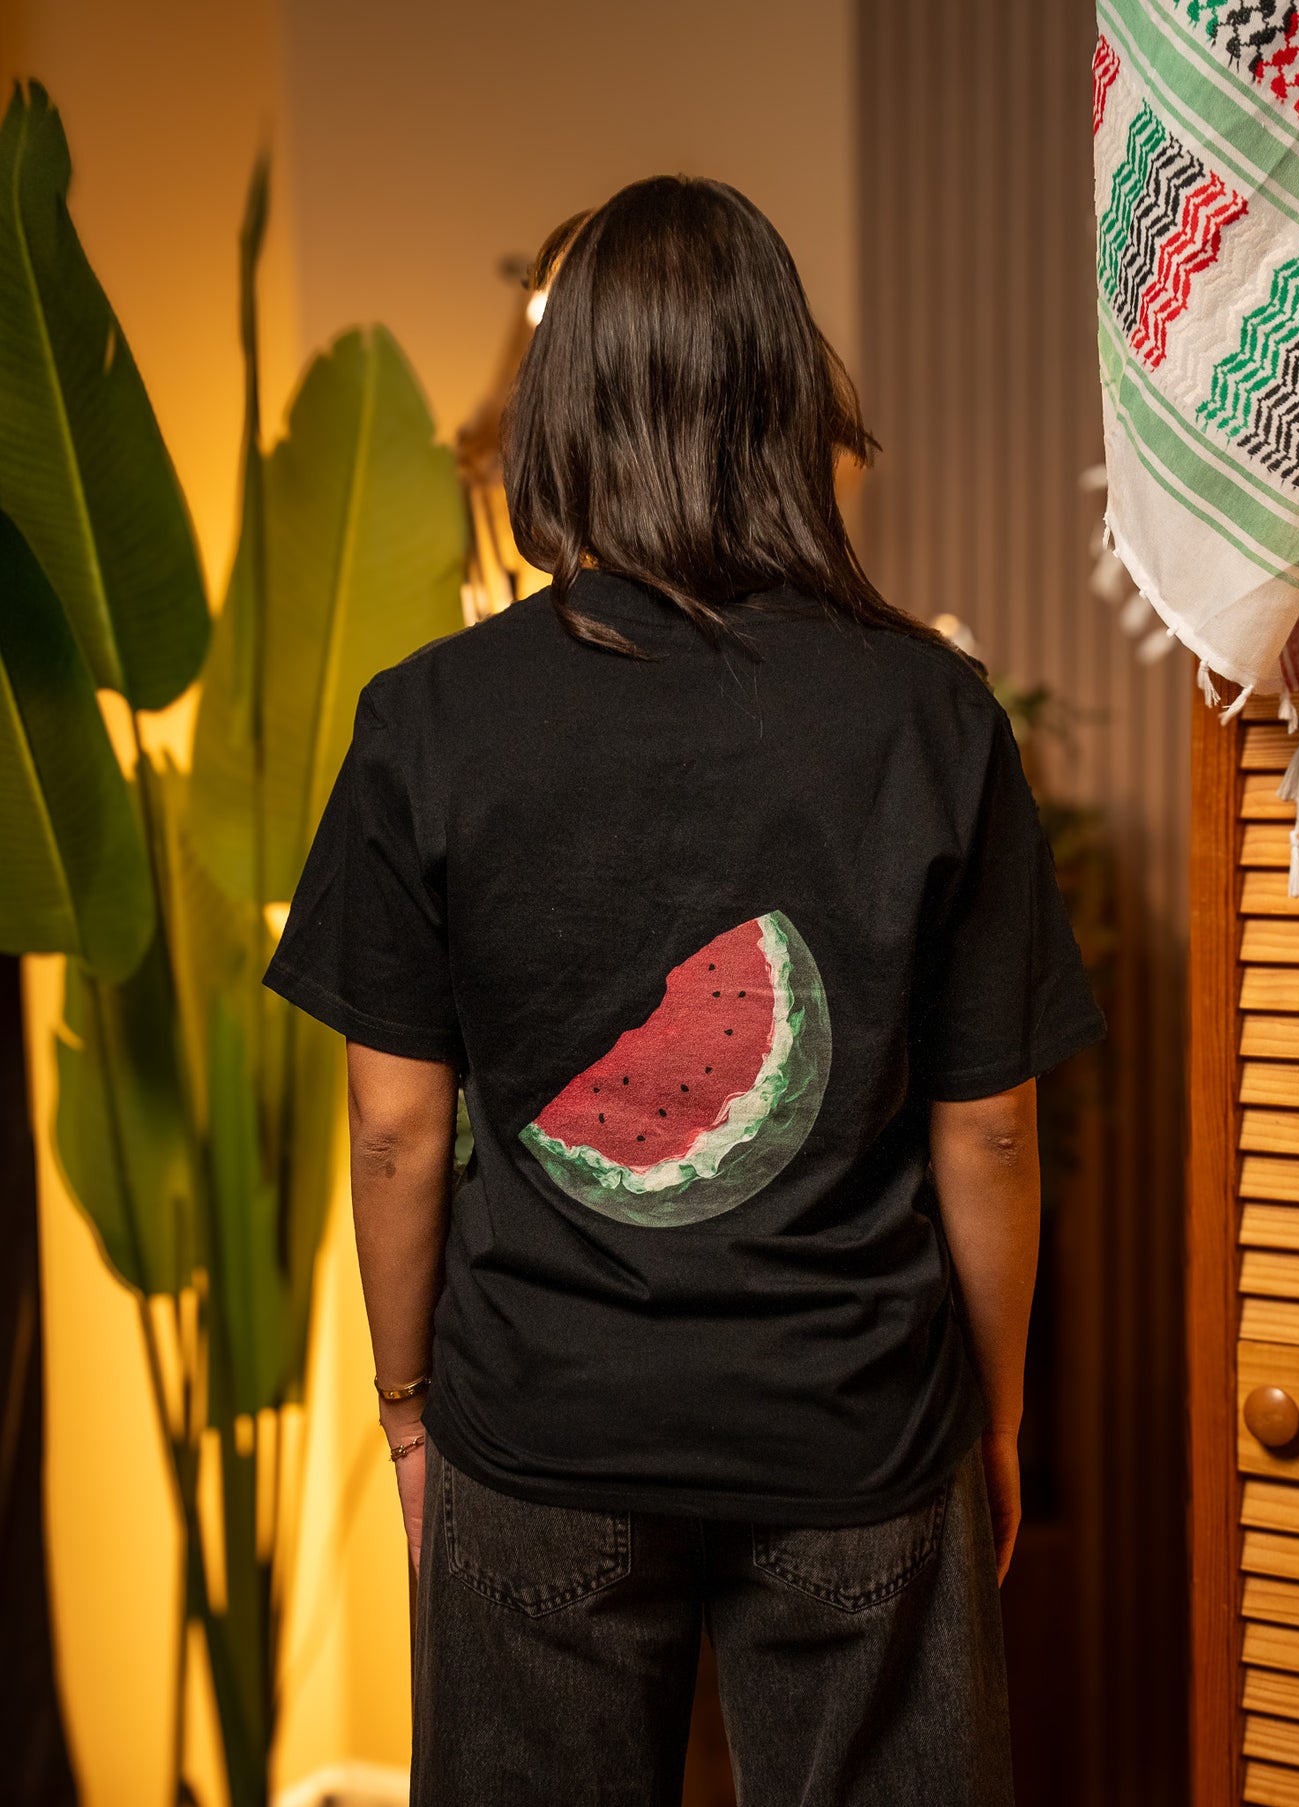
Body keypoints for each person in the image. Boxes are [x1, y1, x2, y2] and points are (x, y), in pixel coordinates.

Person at [264, 174, 1105, 1807]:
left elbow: (390, 1132)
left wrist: (409, 1415)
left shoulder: (428, 718)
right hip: (857, 1431)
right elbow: (989, 1134)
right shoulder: (932, 717)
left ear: (564, 417)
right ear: (787, 408)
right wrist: (992, 1422)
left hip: (536, 1431)